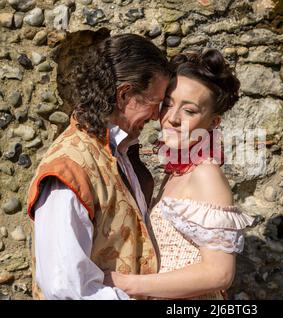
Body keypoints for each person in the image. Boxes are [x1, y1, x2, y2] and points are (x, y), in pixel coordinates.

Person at [26, 34, 170, 300]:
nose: (156, 116)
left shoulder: (117, 153)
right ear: (125, 94)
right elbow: (66, 288)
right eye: (154, 102)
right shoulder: (68, 168)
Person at [104, 49, 255, 299]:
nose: (172, 118)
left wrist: (127, 284)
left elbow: (219, 274)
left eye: (190, 110)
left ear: (214, 122)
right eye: (168, 104)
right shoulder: (176, 171)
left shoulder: (206, 175)